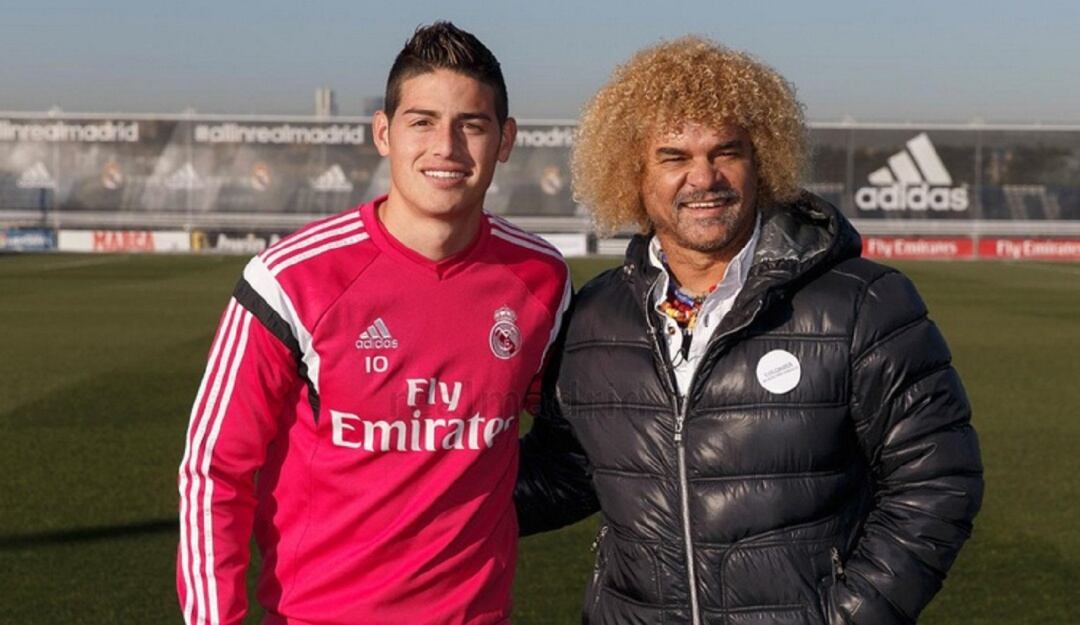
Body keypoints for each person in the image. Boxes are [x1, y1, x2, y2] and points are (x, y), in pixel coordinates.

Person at [516, 37, 983, 625]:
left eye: (725, 151)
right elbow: (568, 473)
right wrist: (409, 489)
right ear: (631, 171)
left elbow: (939, 480)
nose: (703, 178)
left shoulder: (865, 302)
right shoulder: (594, 316)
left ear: (763, 158)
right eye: (673, 156)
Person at [178, 22, 570, 625]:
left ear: (506, 139)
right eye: (422, 122)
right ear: (384, 134)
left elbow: (582, 432)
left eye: (471, 124)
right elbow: (214, 469)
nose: (446, 146)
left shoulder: (541, 280)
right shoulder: (288, 279)